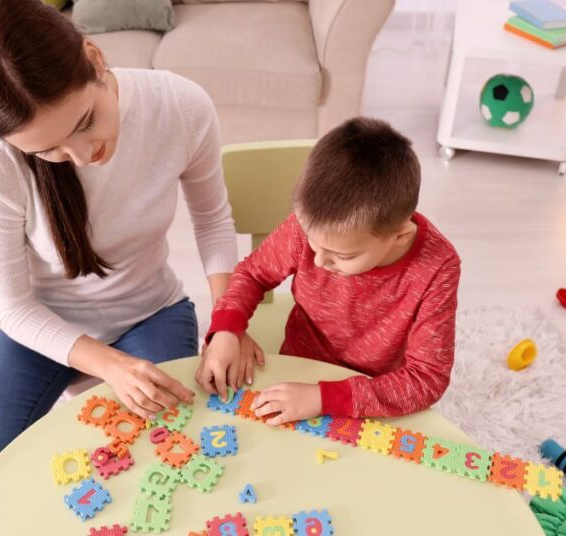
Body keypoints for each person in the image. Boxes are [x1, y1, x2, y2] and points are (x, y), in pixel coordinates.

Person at [0, 0, 260, 512]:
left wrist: (227, 322)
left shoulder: (180, 106)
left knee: (172, 464)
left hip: (150, 311)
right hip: (41, 329)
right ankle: (79, 386)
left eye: (85, 121)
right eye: (49, 151)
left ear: (95, 57)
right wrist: (111, 366)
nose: (83, 155)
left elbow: (213, 222)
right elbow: (12, 308)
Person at [196, 117, 461, 424]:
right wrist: (227, 329)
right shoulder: (310, 227)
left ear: (399, 235)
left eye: (341, 256)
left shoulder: (438, 268)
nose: (318, 261)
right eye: (312, 243)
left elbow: (426, 378)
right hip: (299, 363)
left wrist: (323, 398)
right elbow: (253, 274)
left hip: (373, 392)